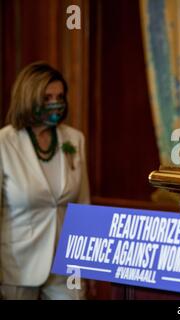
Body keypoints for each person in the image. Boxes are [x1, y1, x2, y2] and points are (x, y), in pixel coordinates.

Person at [0, 62, 90, 299]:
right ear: (29, 98)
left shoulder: (74, 138)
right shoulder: (4, 142)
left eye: (60, 96)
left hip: (66, 264)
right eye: (47, 97)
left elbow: (83, 205)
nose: (55, 102)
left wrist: (86, 266)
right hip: (17, 265)